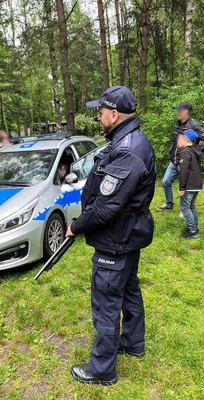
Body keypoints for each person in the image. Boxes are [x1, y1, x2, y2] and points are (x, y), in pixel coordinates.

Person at [65, 86, 156, 386]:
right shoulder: (127, 141)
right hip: (127, 237)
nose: (99, 117)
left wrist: (76, 226)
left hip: (116, 240)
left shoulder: (128, 150)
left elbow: (107, 208)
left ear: (114, 114)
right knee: (129, 290)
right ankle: (133, 342)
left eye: (101, 112)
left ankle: (102, 369)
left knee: (106, 301)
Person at [157, 102, 204, 211]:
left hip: (186, 161)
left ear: (186, 112)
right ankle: (169, 205)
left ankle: (185, 210)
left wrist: (196, 149)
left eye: (179, 110)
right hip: (174, 161)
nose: (177, 112)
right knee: (165, 182)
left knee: (185, 187)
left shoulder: (195, 126)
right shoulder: (177, 124)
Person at [177, 129, 202, 239]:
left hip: (189, 185)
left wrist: (182, 187)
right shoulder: (195, 150)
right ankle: (195, 228)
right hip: (197, 185)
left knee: (184, 207)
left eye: (180, 137)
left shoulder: (185, 152)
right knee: (191, 206)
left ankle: (192, 231)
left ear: (186, 139)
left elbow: (184, 170)